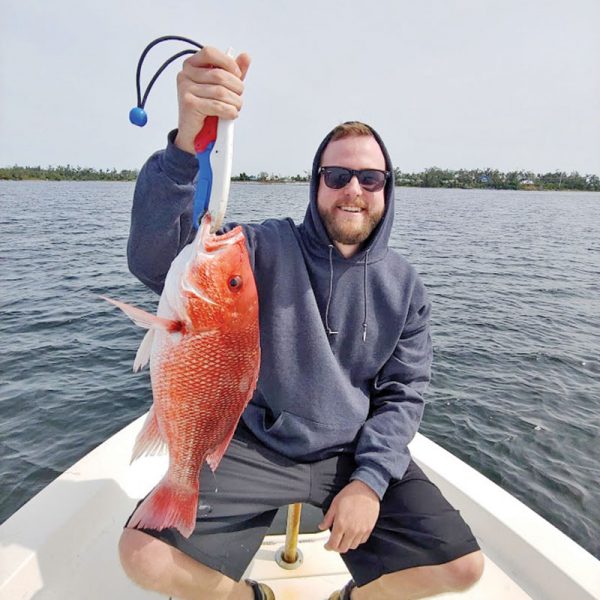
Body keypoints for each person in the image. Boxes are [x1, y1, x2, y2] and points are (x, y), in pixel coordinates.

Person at [118, 46, 484, 600]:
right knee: (142, 556)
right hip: (257, 443)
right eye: (337, 175)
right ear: (316, 183)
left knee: (463, 568)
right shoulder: (260, 248)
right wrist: (187, 143)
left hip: (351, 451)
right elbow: (156, 258)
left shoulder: (405, 287)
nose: (353, 190)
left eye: (370, 177)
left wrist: (369, 480)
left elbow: (404, 394)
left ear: (388, 188)